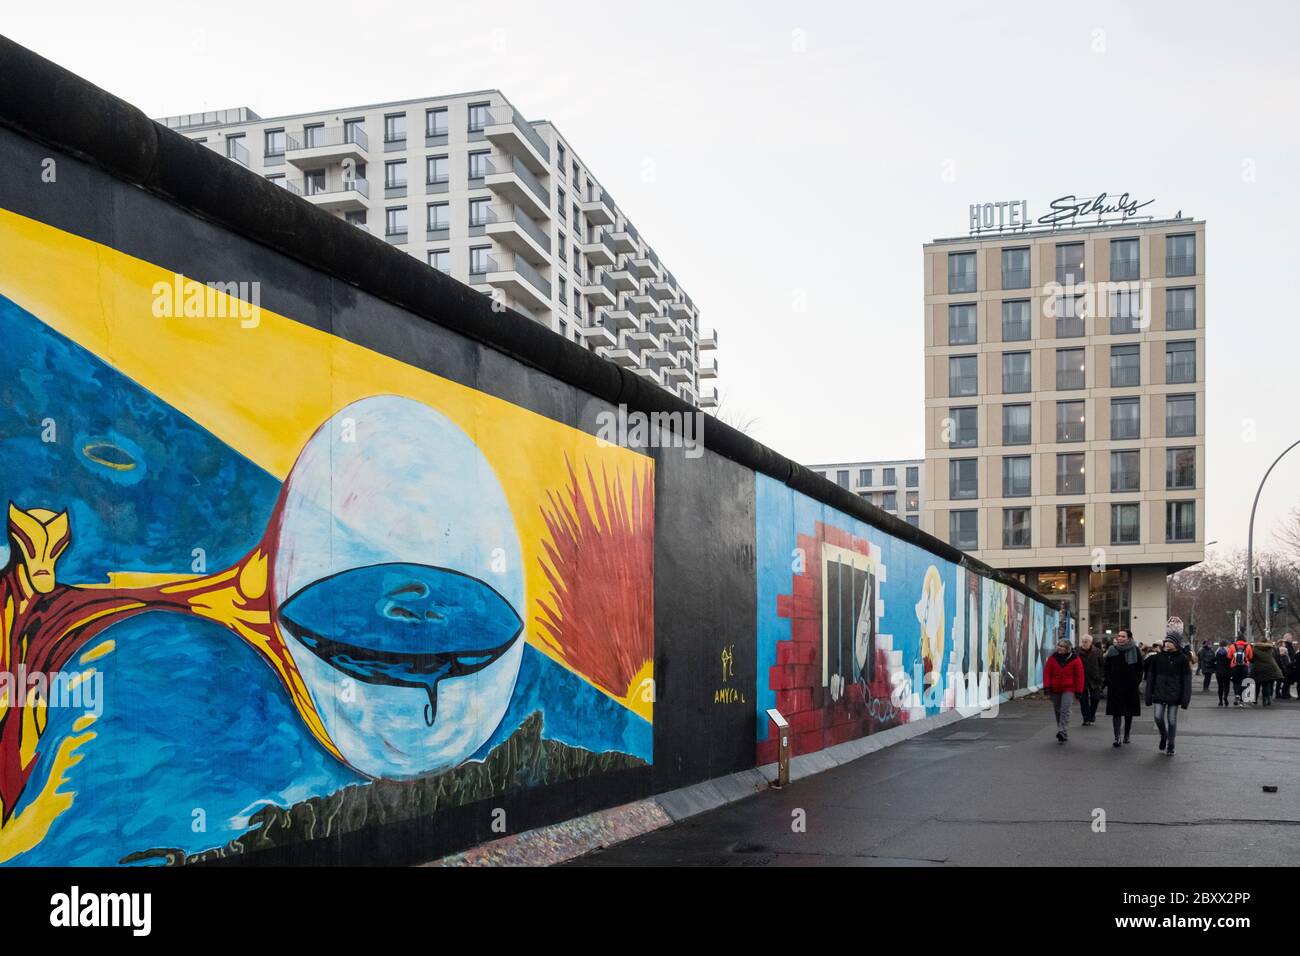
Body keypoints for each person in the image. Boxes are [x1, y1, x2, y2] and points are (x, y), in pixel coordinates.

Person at [1144, 620, 1193, 756]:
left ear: (1176, 644)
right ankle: (1164, 736)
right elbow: (1150, 678)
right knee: (1158, 717)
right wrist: (1148, 696)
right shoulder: (1157, 658)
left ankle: (1171, 744)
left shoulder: (1183, 660)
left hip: (1174, 695)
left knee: (1172, 720)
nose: (1167, 644)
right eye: (1166, 642)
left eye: (1170, 642)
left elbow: (1186, 681)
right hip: (1159, 694)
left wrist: (1185, 699)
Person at [1104, 628, 1143, 747]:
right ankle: (1117, 737)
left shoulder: (1135, 650)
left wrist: (1136, 682)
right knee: (1116, 712)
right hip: (1115, 687)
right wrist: (1109, 681)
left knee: (1128, 712)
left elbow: (1140, 668)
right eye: (1119, 636)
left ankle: (1126, 734)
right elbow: (1107, 668)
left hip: (1130, 687)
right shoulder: (1112, 650)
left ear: (1129, 638)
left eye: (1123, 636)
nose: (1120, 638)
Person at [1043, 638, 1084, 743]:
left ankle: (1062, 730)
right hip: (1054, 688)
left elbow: (1080, 676)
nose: (1059, 648)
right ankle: (1062, 731)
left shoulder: (1075, 659)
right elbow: (1047, 672)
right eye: (1058, 645)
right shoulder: (1053, 658)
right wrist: (1047, 687)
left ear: (1068, 648)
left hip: (1069, 688)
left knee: (1065, 709)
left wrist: (1079, 690)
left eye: (1061, 646)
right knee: (1057, 710)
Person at [1076, 634, 1104, 726]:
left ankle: (1092, 715)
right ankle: (1086, 718)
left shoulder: (1098, 652)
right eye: (1083, 641)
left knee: (1095, 698)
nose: (1084, 643)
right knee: (1083, 700)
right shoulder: (1076, 651)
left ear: (1090, 642)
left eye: (1086, 642)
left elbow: (1102, 665)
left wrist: (1100, 676)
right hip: (1081, 679)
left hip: (1095, 679)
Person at [1250, 640, 1283, 707]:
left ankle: (1255, 700)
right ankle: (1265, 700)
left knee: (1257, 685)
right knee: (1266, 685)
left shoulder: (1254, 649)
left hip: (1257, 669)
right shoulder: (1271, 649)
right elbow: (1276, 656)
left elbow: (1251, 659)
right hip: (1269, 669)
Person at [1229, 633, 1253, 705]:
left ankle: (1237, 695)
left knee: (1236, 682)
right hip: (1244, 666)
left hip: (1235, 666)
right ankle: (1242, 698)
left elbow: (1229, 656)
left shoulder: (1232, 646)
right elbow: (1251, 657)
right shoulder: (1248, 646)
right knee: (1244, 681)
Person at [1213, 639, 1232, 706]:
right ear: (1226, 644)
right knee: (1227, 685)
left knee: (1220, 686)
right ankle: (1225, 696)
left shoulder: (1217, 652)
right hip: (1227, 671)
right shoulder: (1229, 651)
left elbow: (1214, 661)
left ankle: (1220, 701)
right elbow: (1231, 661)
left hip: (1219, 671)